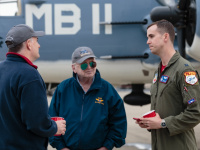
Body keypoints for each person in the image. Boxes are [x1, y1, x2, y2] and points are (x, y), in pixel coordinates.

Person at [135, 19, 200, 150]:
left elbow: (195, 113)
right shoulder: (158, 72)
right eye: (148, 37)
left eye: (151, 36)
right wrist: (150, 122)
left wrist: (162, 123)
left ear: (165, 37)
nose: (148, 41)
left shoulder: (185, 70)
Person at [0, 24, 66, 150]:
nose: (39, 45)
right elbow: (36, 123)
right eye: (37, 41)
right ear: (29, 44)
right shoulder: (29, 75)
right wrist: (54, 127)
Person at [49, 46, 127, 150]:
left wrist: (107, 146)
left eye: (92, 63)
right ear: (74, 68)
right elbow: (51, 121)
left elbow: (119, 122)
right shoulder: (63, 89)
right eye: (84, 64)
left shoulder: (107, 89)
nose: (89, 67)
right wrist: (61, 147)